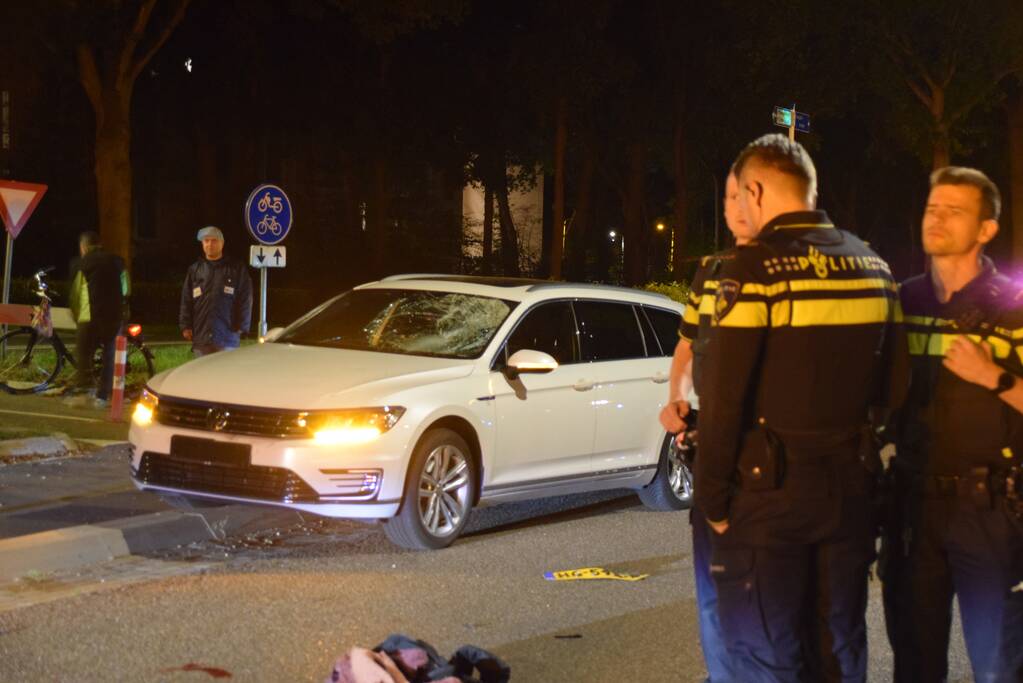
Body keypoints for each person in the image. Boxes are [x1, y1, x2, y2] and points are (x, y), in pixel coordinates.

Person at [693, 134, 903, 682]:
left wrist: (714, 502)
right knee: (839, 644)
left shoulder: (755, 270)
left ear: (756, 190)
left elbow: (723, 400)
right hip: (851, 491)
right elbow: (895, 389)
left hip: (768, 499)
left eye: (740, 195)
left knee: (768, 652)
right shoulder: (874, 267)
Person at [882, 166, 1023, 682]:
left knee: (998, 667)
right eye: (931, 208)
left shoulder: (1014, 306)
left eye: (954, 211)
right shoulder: (902, 301)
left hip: (989, 511)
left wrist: (995, 377)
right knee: (915, 666)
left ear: (987, 229)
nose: (936, 218)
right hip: (912, 508)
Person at [659, 168, 756, 683]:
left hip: (772, 470)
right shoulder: (712, 272)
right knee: (715, 599)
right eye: (728, 196)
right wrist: (676, 399)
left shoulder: (801, 274)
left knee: (767, 605)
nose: (735, 207)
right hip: (714, 462)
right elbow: (685, 347)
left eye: (747, 195)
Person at [68, 231, 129, 406]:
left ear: (83, 247)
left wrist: (76, 315)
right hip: (114, 317)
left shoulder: (80, 263)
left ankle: (85, 390)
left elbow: (75, 294)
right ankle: (103, 396)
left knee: (84, 353)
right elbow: (126, 289)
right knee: (109, 355)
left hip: (89, 317)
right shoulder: (118, 261)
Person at [179, 226, 253, 356]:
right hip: (201, 338)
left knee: (226, 375)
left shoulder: (236, 269)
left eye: (214, 241)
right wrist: (185, 325)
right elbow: (186, 300)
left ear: (222, 243)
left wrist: (243, 325)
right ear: (202, 244)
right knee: (203, 375)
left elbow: (245, 298)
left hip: (228, 337)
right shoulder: (194, 270)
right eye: (206, 241)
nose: (209, 244)